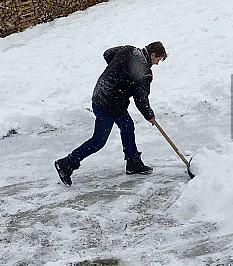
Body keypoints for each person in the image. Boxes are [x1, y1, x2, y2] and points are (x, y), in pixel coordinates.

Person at [55, 41, 167, 186]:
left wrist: (117, 73)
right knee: (98, 141)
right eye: (157, 60)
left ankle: (133, 162)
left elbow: (107, 53)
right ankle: (66, 163)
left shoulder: (128, 49)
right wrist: (149, 115)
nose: (156, 64)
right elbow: (141, 99)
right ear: (152, 55)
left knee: (127, 126)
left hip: (102, 93)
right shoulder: (144, 72)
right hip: (108, 104)